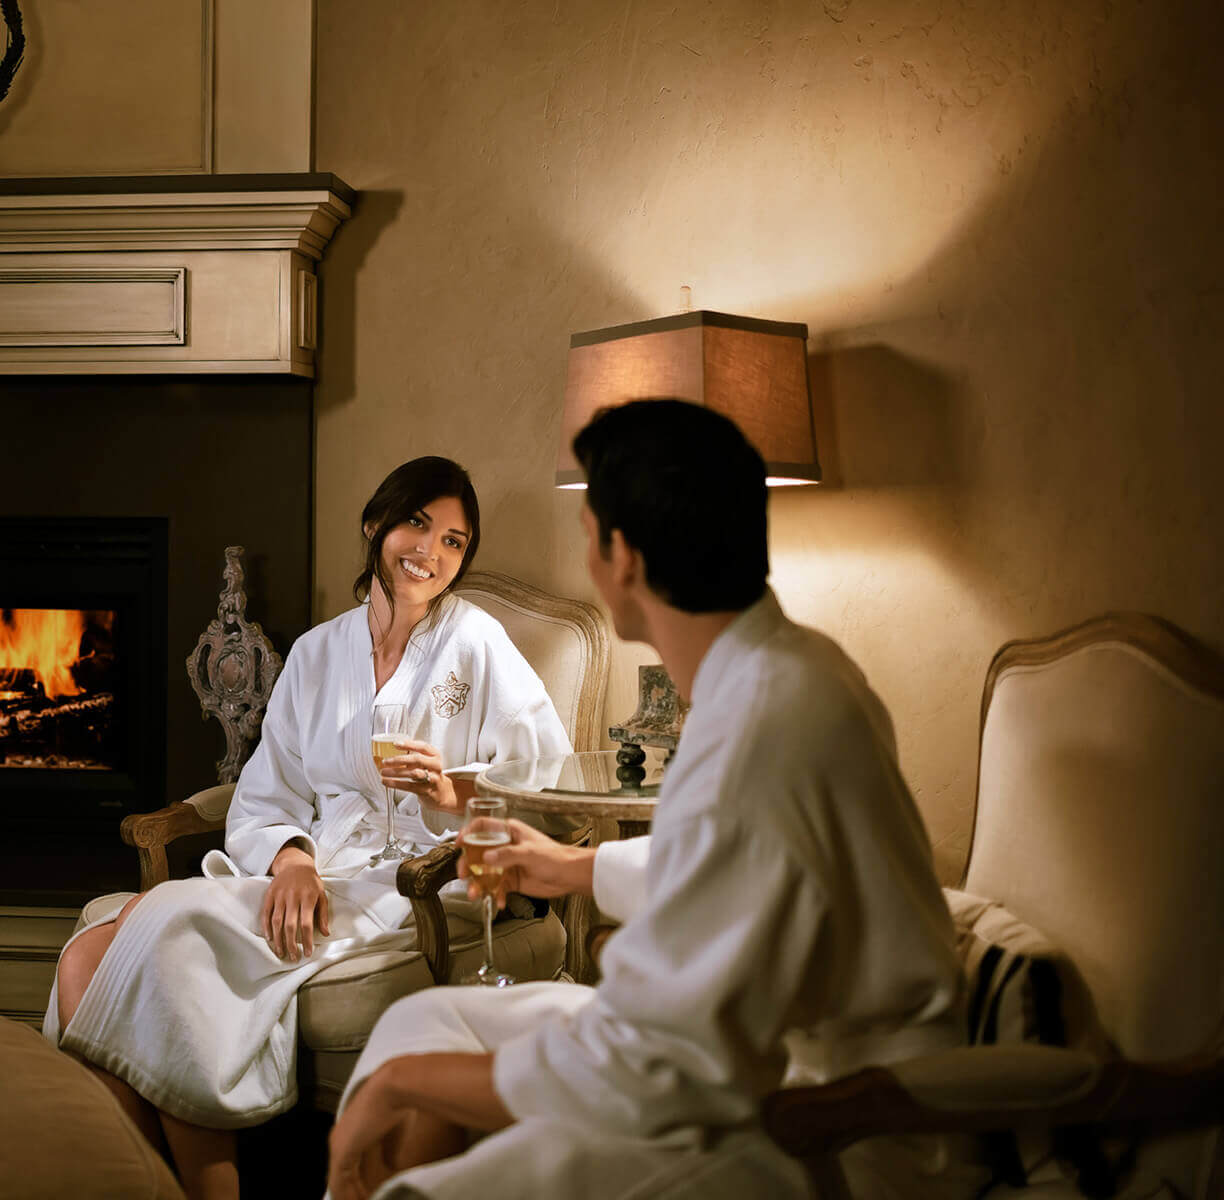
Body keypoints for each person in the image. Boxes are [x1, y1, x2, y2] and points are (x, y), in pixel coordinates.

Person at [327, 401, 983, 1200]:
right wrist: (574, 868)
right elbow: (736, 864)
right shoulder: (780, 671)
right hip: (763, 1068)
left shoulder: (766, 721)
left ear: (623, 557)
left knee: (419, 1166)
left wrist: (404, 1090)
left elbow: (659, 1066)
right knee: (413, 1026)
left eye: (588, 533)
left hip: (824, 1123)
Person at [47, 455, 574, 1200]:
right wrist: (291, 860)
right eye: (417, 524)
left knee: (159, 930)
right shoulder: (318, 652)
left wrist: (453, 793)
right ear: (374, 524)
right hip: (315, 867)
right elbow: (266, 793)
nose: (431, 552)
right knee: (83, 959)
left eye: (455, 540)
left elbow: (546, 783)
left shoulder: (477, 642)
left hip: (417, 879)